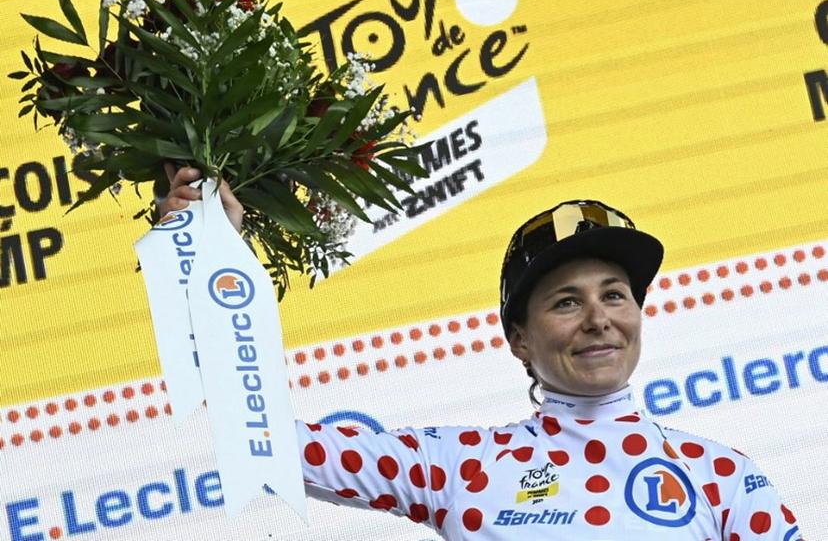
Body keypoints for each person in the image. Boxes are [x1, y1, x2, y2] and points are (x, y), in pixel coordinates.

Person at [161, 166, 804, 540]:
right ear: (518, 338)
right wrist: (203, 261)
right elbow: (262, 438)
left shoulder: (722, 477)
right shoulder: (459, 465)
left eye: (615, 294)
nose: (599, 319)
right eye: (565, 302)